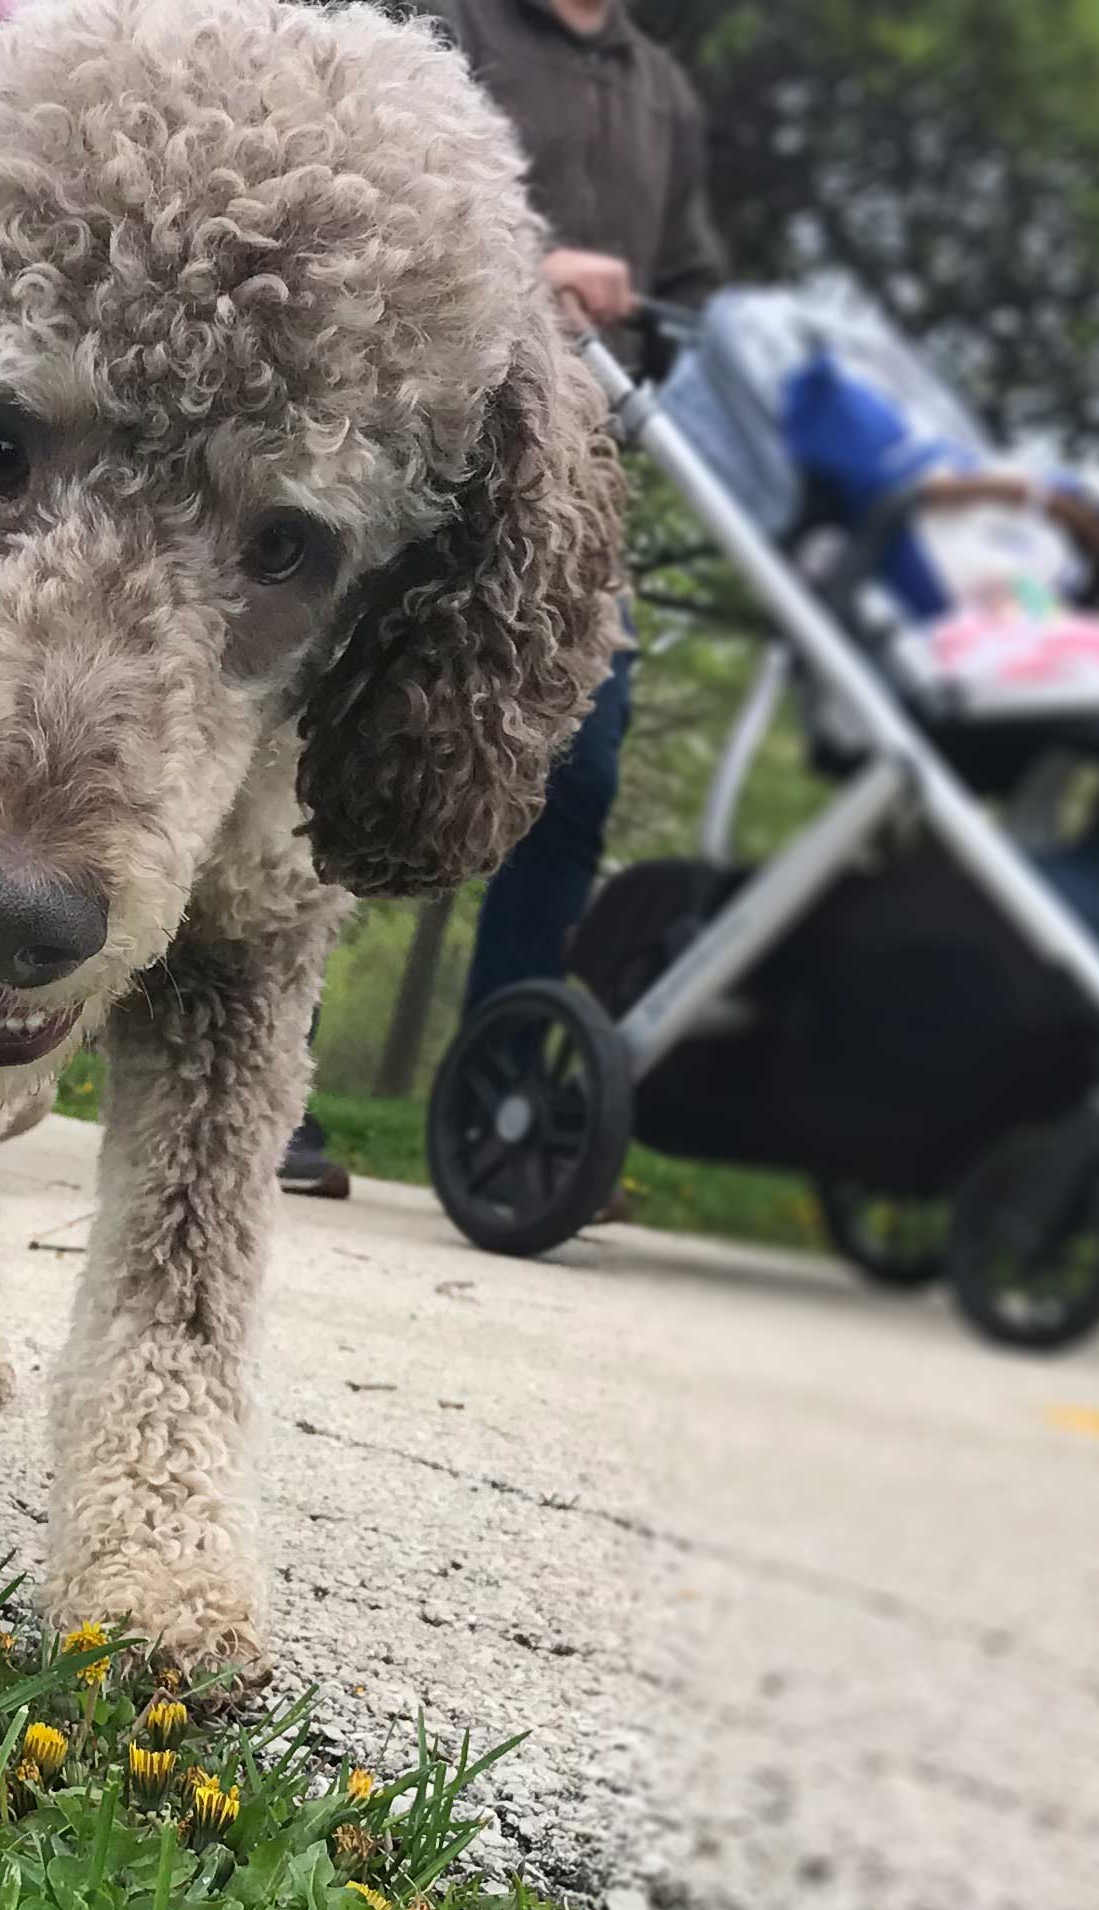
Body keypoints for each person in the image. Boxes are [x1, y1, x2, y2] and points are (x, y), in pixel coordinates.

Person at [275, 0, 722, 1198]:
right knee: (346, 753)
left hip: (579, 484)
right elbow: (360, 189)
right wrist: (531, 271)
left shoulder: (656, 89)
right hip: (410, 456)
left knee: (571, 780)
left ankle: (506, 1107)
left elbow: (686, 285)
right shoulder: (453, 26)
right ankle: (276, 1086)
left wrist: (656, 330)